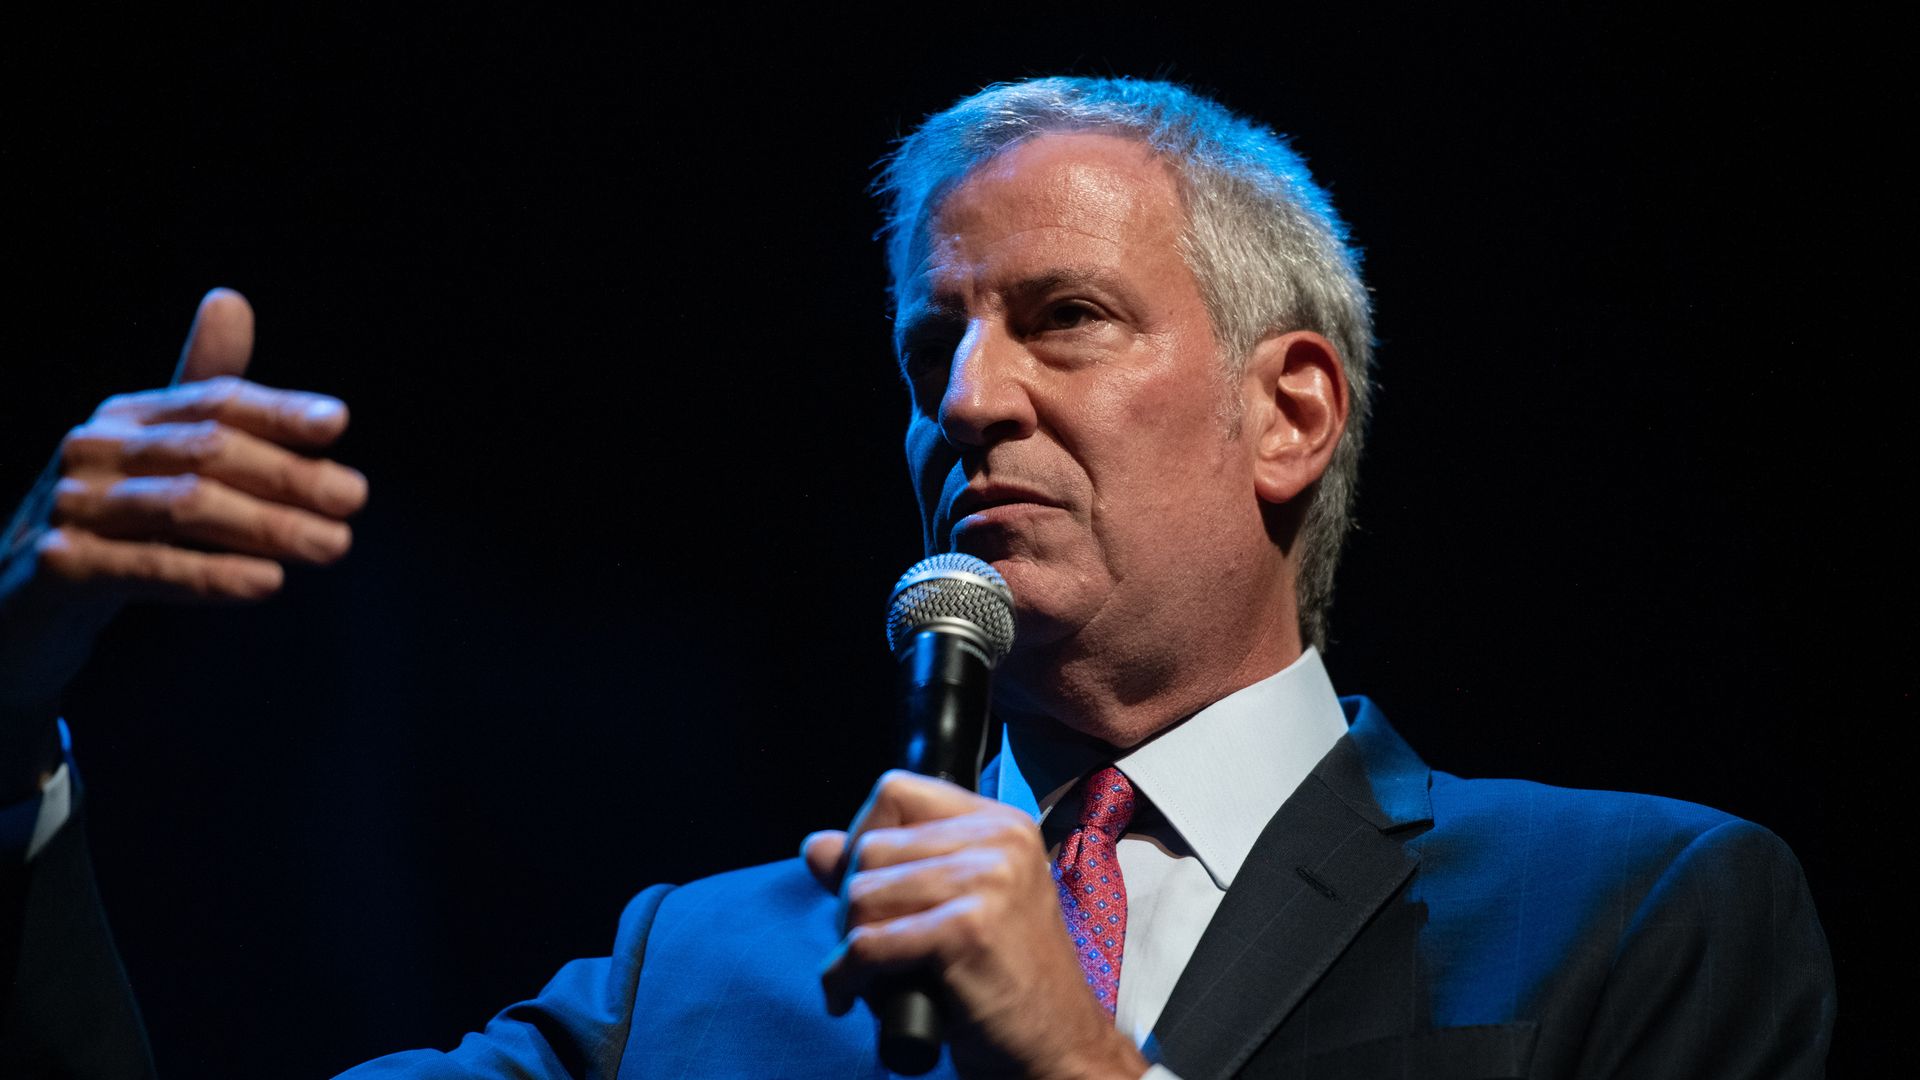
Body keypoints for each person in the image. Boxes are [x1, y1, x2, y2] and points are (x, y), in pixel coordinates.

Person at [0, 77, 1833, 1079]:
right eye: (929, 347)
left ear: (1292, 415)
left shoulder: (1636, 914)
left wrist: (1072, 1063)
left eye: (1065, 321)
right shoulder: (698, 979)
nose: (965, 401)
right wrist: (8, 714)